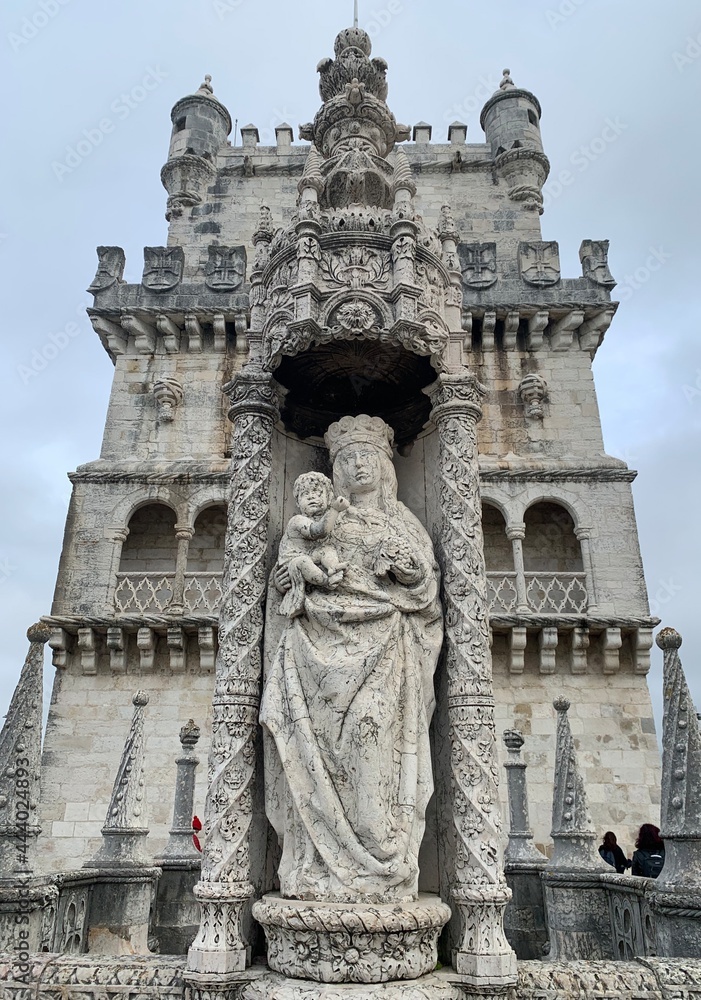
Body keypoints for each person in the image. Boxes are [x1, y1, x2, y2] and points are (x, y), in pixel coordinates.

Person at [261, 415, 443, 903]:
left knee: (371, 730)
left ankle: (382, 857)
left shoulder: (403, 521)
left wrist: (405, 574)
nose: (360, 464)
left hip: (386, 644)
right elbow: (288, 565)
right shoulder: (321, 519)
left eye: (369, 457)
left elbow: (427, 588)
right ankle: (318, 863)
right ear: (335, 471)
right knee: (317, 746)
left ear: (387, 466)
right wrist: (295, 575)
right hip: (317, 645)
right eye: (349, 458)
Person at [277, 471, 349, 618]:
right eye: (305, 494)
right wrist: (335, 509)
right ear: (297, 502)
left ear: (329, 497)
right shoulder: (297, 521)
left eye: (317, 492)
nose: (311, 496)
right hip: (293, 563)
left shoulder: (337, 521)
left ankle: (333, 568)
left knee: (327, 550)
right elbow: (319, 531)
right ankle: (327, 581)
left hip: (313, 558)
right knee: (304, 561)